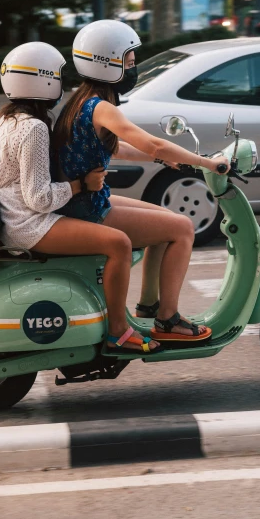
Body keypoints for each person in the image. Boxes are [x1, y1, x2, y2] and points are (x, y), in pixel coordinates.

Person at [53, 20, 230, 345]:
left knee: (164, 222)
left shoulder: (80, 100)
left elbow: (116, 147)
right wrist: (207, 162)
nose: (133, 69)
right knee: (183, 228)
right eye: (129, 63)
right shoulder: (101, 107)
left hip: (85, 201)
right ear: (107, 64)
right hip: (88, 208)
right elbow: (154, 143)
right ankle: (168, 319)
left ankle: (150, 304)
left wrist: (161, 160)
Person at [0, 41, 159, 355]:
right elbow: (38, 198)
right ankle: (118, 330)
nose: (62, 84)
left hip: (13, 219)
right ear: (43, 79)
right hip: (29, 225)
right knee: (118, 243)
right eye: (58, 76)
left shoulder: (7, 120)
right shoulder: (34, 128)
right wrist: (82, 185)